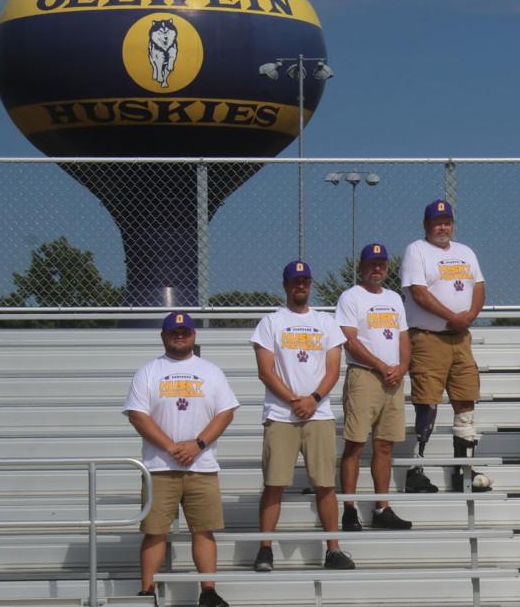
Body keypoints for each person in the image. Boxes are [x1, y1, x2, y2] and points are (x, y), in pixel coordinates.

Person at [124, 312, 239, 606]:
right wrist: (171, 446)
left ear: (194, 335)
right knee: (154, 532)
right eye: (174, 332)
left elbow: (226, 412)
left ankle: (208, 591)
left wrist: (198, 444)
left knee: (204, 530)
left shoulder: (211, 371)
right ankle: (147, 592)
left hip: (201, 466)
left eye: (185, 331)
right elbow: (138, 415)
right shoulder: (148, 372)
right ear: (163, 336)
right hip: (160, 467)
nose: (180, 335)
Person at [249, 261, 354, 572]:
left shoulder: (326, 322)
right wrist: (296, 401)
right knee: (274, 483)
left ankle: (333, 548)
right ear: (285, 285)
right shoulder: (270, 322)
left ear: (311, 284)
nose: (301, 285)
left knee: (325, 484)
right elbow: (265, 372)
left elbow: (334, 369)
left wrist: (314, 399)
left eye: (305, 280)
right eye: (295, 281)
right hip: (282, 415)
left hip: (318, 414)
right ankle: (265, 548)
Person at [401, 199, 491, 492]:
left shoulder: (465, 251)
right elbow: (418, 292)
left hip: (460, 336)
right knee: (427, 400)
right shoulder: (417, 250)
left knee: (465, 398)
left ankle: (463, 469)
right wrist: (451, 316)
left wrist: (470, 316)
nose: (443, 226)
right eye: (437, 222)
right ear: (426, 224)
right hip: (429, 336)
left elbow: (478, 287)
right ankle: (417, 467)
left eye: (447, 221)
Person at [336, 243, 415, 530]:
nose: (377, 268)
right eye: (371, 263)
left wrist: (402, 367)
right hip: (366, 375)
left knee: (384, 445)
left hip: (393, 378)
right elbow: (350, 339)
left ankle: (382, 507)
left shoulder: (394, 298)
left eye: (381, 263)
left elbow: (404, 337)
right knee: (355, 444)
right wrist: (382, 366)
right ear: (362, 267)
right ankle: (349, 508)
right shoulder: (350, 297)